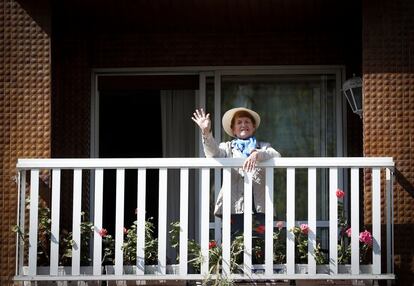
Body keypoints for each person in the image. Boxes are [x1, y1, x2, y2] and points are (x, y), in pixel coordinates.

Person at [192, 107, 281, 237]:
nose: (243, 125)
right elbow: (213, 154)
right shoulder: (227, 147)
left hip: (260, 208)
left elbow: (276, 155)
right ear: (233, 129)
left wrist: (257, 154)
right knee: (234, 248)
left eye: (247, 122)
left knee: (261, 248)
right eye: (239, 122)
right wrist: (206, 132)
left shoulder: (263, 146)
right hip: (233, 208)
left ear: (253, 127)